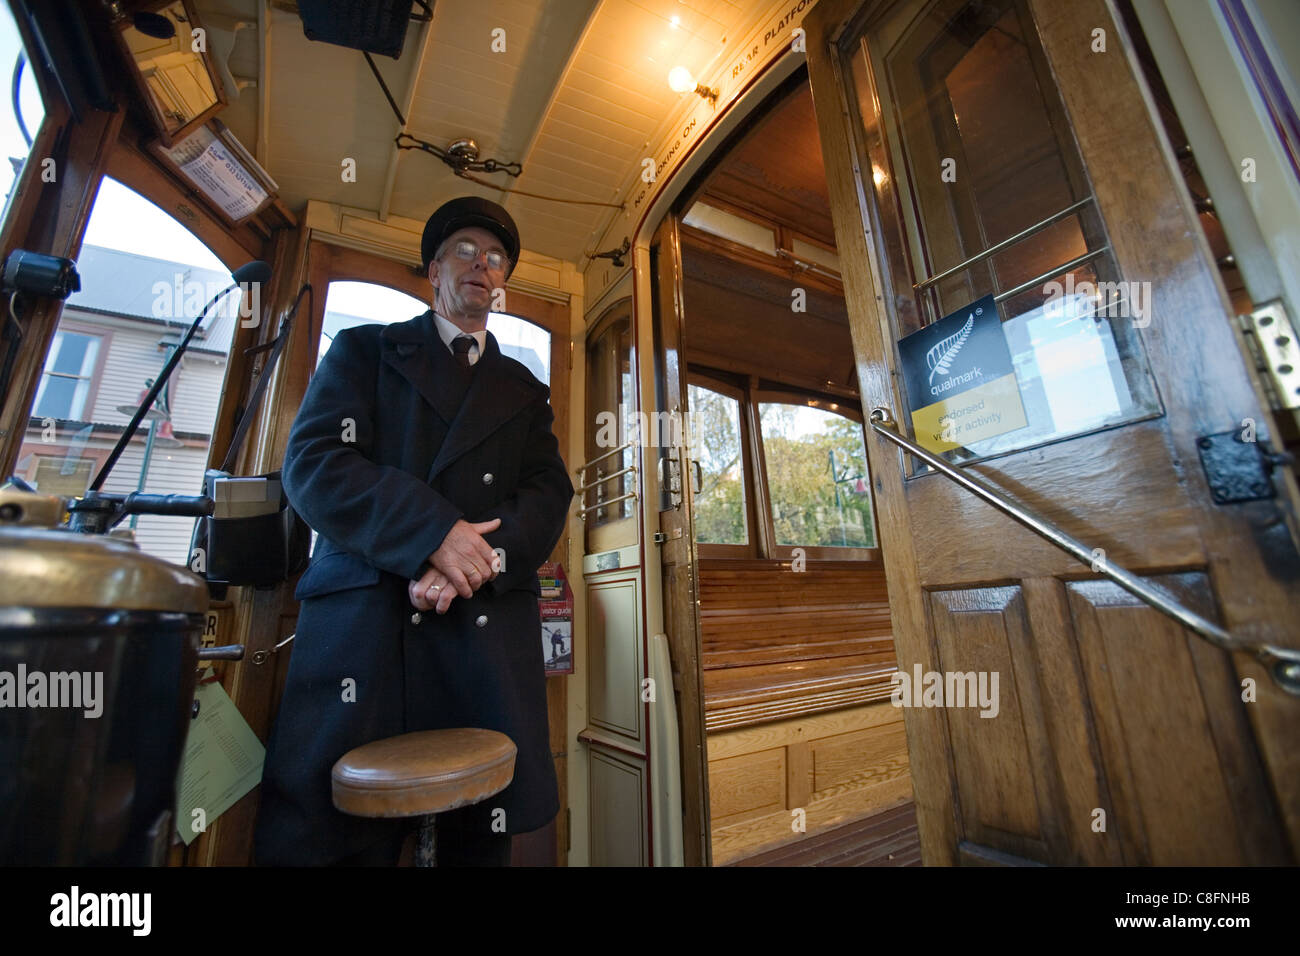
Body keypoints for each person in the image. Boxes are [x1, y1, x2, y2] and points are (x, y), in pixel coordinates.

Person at [254, 196, 573, 866]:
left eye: (495, 258)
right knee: (329, 844)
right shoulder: (365, 349)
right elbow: (315, 463)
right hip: (366, 633)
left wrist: (471, 558)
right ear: (433, 270)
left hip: (480, 635)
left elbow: (547, 494)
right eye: (466, 250)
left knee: (474, 840)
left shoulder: (524, 388)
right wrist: (431, 533)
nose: (482, 266)